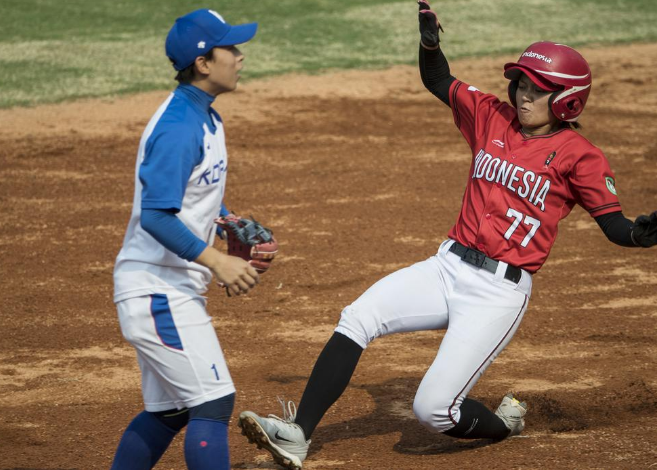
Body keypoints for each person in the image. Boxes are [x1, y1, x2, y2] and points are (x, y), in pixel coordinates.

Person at [236, 1, 657, 469]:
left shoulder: (581, 156)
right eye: (520, 83)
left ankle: (504, 426)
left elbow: (615, 225)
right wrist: (430, 44)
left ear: (567, 100)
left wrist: (639, 235)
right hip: (447, 265)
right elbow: (439, 80)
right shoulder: (491, 117)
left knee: (433, 410)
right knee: (358, 316)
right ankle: (298, 434)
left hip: (498, 292)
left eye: (537, 90)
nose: (522, 94)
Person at [110, 9, 263, 470]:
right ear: (203, 63)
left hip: (167, 286)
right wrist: (217, 260)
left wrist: (224, 217)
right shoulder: (179, 127)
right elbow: (156, 216)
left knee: (170, 410)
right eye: (230, 49)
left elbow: (189, 194)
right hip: (159, 291)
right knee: (215, 403)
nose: (239, 57)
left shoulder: (205, 118)